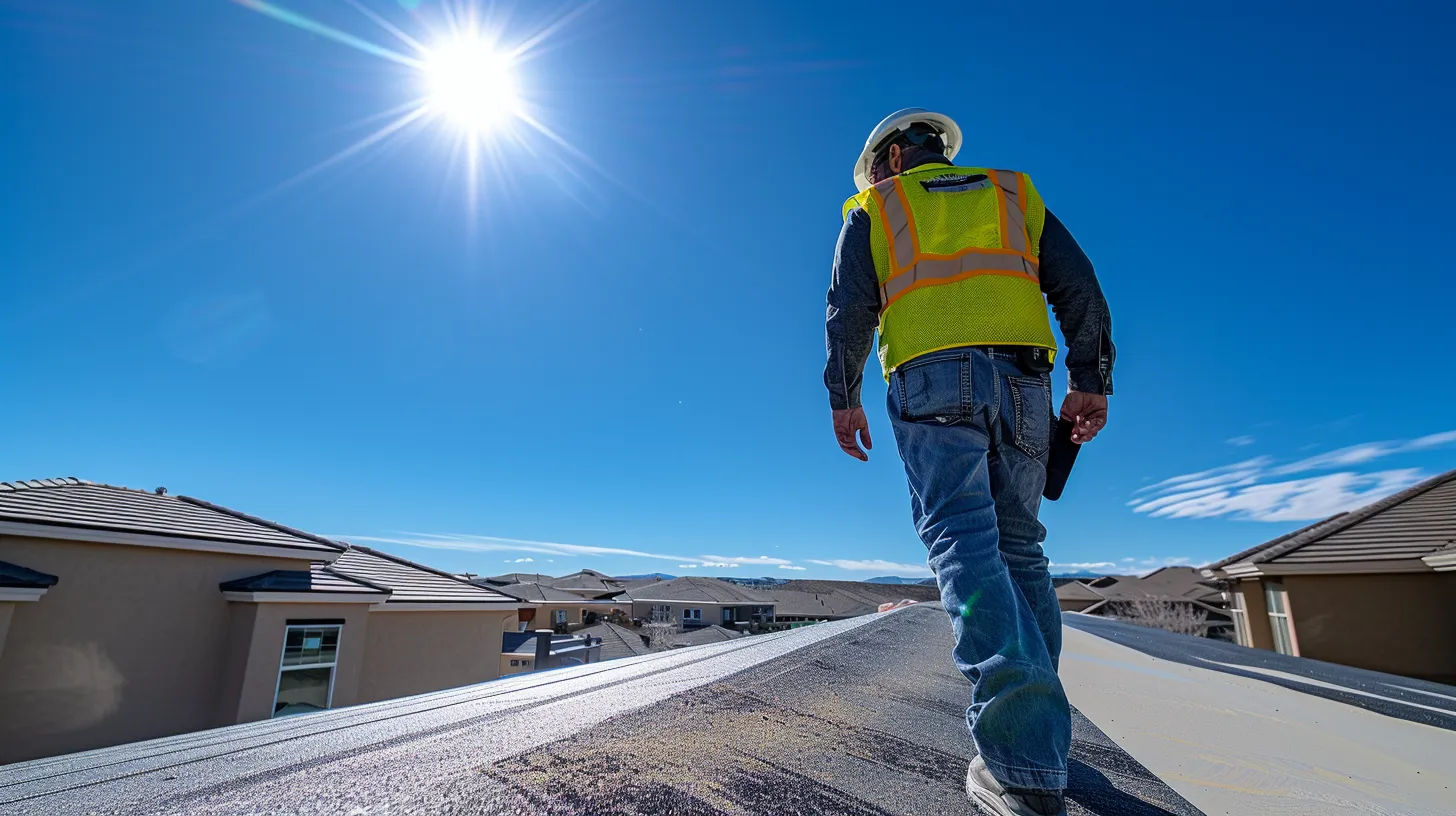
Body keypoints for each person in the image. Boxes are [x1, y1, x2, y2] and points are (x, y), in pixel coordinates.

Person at [823, 108, 1115, 816]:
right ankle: (1040, 747)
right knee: (1020, 549)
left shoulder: (877, 207)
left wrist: (842, 394)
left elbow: (848, 308)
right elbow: (1078, 286)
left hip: (929, 381)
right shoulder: (1013, 193)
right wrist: (1091, 378)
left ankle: (1020, 769)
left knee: (964, 543)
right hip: (1023, 381)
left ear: (893, 157)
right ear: (936, 152)